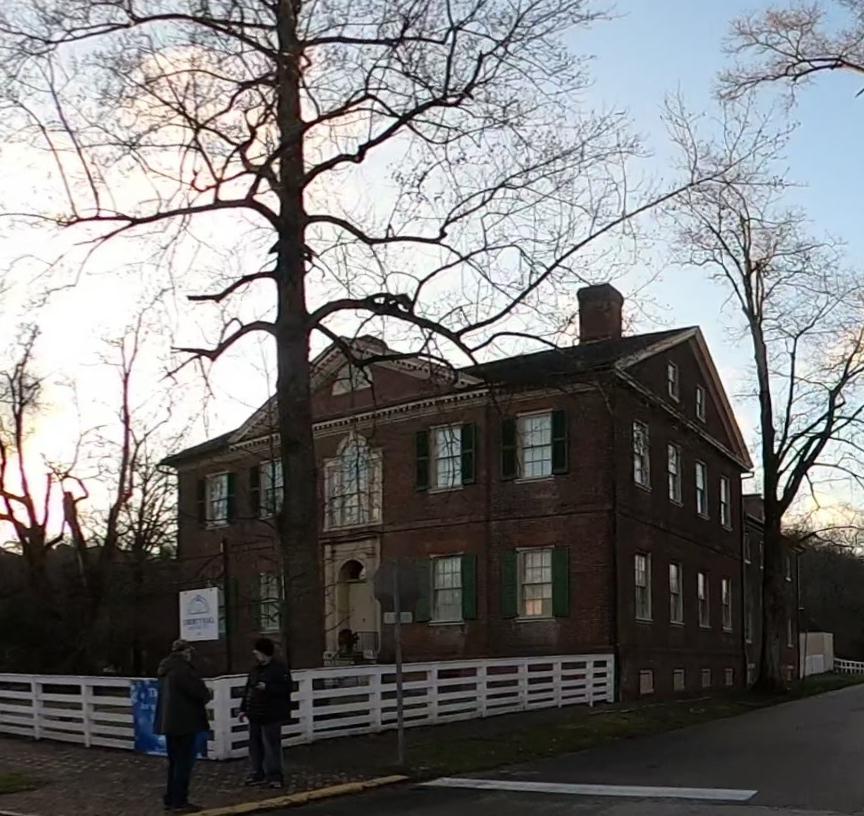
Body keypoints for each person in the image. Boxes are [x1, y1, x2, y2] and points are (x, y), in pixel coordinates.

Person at [154, 639, 211, 813]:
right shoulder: (184, 670)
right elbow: (200, 693)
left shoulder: (165, 669)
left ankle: (170, 798)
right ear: (185, 652)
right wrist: (206, 693)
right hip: (185, 722)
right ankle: (180, 800)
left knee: (174, 762)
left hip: (169, 723)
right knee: (183, 763)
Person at [239, 638, 292, 789]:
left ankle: (275, 776)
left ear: (264, 653)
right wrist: (243, 709)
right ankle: (258, 772)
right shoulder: (255, 670)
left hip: (272, 713)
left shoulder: (279, 669)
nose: (255, 655)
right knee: (255, 745)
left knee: (271, 746)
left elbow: (287, 688)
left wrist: (268, 687)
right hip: (255, 713)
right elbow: (248, 689)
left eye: (257, 652)